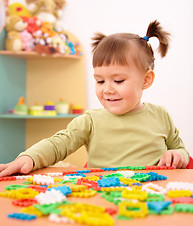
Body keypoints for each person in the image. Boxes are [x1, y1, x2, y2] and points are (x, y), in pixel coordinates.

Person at [0, 20, 189, 177]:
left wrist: (178, 155)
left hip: (152, 198)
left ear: (146, 80)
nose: (107, 89)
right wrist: (28, 158)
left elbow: (181, 151)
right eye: (99, 81)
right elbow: (58, 144)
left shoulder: (161, 115)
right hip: (103, 198)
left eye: (118, 80)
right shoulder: (90, 120)